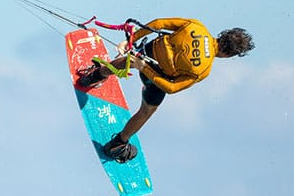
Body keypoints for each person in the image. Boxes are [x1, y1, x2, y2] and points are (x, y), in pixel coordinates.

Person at [76, 18, 254, 162]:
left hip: (145, 52)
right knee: (146, 111)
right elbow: (171, 88)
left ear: (223, 34)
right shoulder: (204, 69)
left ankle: (94, 75)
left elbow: (158, 24)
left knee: (131, 58)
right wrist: (144, 68)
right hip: (153, 77)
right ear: (229, 55)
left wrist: (131, 40)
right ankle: (118, 144)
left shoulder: (196, 26)